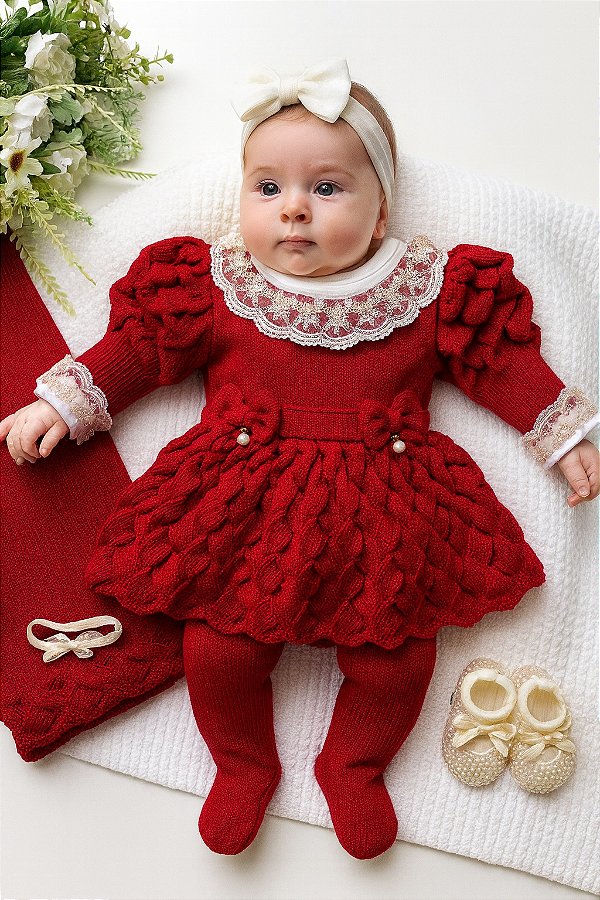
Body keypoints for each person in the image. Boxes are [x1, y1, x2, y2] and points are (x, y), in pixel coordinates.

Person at [1, 59, 598, 860]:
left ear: (381, 211)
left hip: (386, 506)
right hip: (248, 499)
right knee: (219, 649)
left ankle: (353, 763)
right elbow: (138, 351)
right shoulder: (216, 284)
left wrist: (560, 433)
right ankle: (243, 765)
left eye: (326, 189)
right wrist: (64, 405)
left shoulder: (427, 288)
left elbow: (499, 360)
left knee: (397, 660)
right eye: (268, 188)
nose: (293, 212)